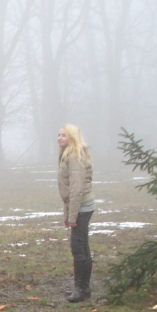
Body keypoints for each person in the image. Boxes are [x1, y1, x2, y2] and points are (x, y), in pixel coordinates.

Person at [57, 124, 95, 302]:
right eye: (59, 135)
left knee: (78, 248)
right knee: (83, 247)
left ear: (72, 137)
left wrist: (72, 217)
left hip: (81, 206)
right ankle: (84, 288)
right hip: (80, 206)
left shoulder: (74, 156)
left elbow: (76, 189)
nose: (59, 138)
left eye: (63, 135)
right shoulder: (69, 155)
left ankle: (79, 289)